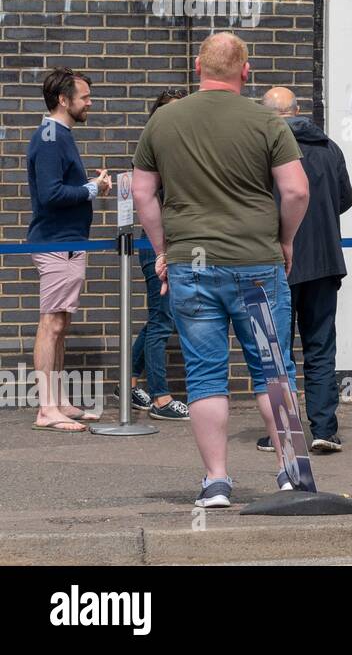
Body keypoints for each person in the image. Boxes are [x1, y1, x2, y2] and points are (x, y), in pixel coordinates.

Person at [132, 33, 310, 508]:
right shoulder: (267, 121)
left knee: (206, 376)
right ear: (245, 71)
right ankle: (292, 472)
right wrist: (285, 239)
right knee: (273, 371)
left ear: (197, 66)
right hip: (256, 264)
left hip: (193, 264)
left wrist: (163, 248)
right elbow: (296, 191)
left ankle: (215, 482)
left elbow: (142, 193)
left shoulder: (164, 121)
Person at [259, 86, 352, 454]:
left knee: (277, 349)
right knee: (320, 346)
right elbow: (346, 199)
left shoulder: (265, 150)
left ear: (269, 116)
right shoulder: (330, 148)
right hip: (326, 263)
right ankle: (325, 430)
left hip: (277, 262)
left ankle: (282, 431)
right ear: (298, 110)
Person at [26, 69, 111, 432]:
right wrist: (92, 188)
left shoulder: (58, 135)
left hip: (67, 242)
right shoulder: (50, 137)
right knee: (52, 323)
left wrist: (91, 188)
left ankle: (58, 401)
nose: (89, 102)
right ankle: (47, 408)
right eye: (85, 97)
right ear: (64, 100)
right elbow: (51, 194)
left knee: (61, 322)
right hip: (57, 242)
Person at [129, 88, 190, 421]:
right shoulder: (156, 151)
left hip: (173, 243)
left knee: (159, 317)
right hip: (158, 246)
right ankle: (161, 398)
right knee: (163, 319)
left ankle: (129, 382)